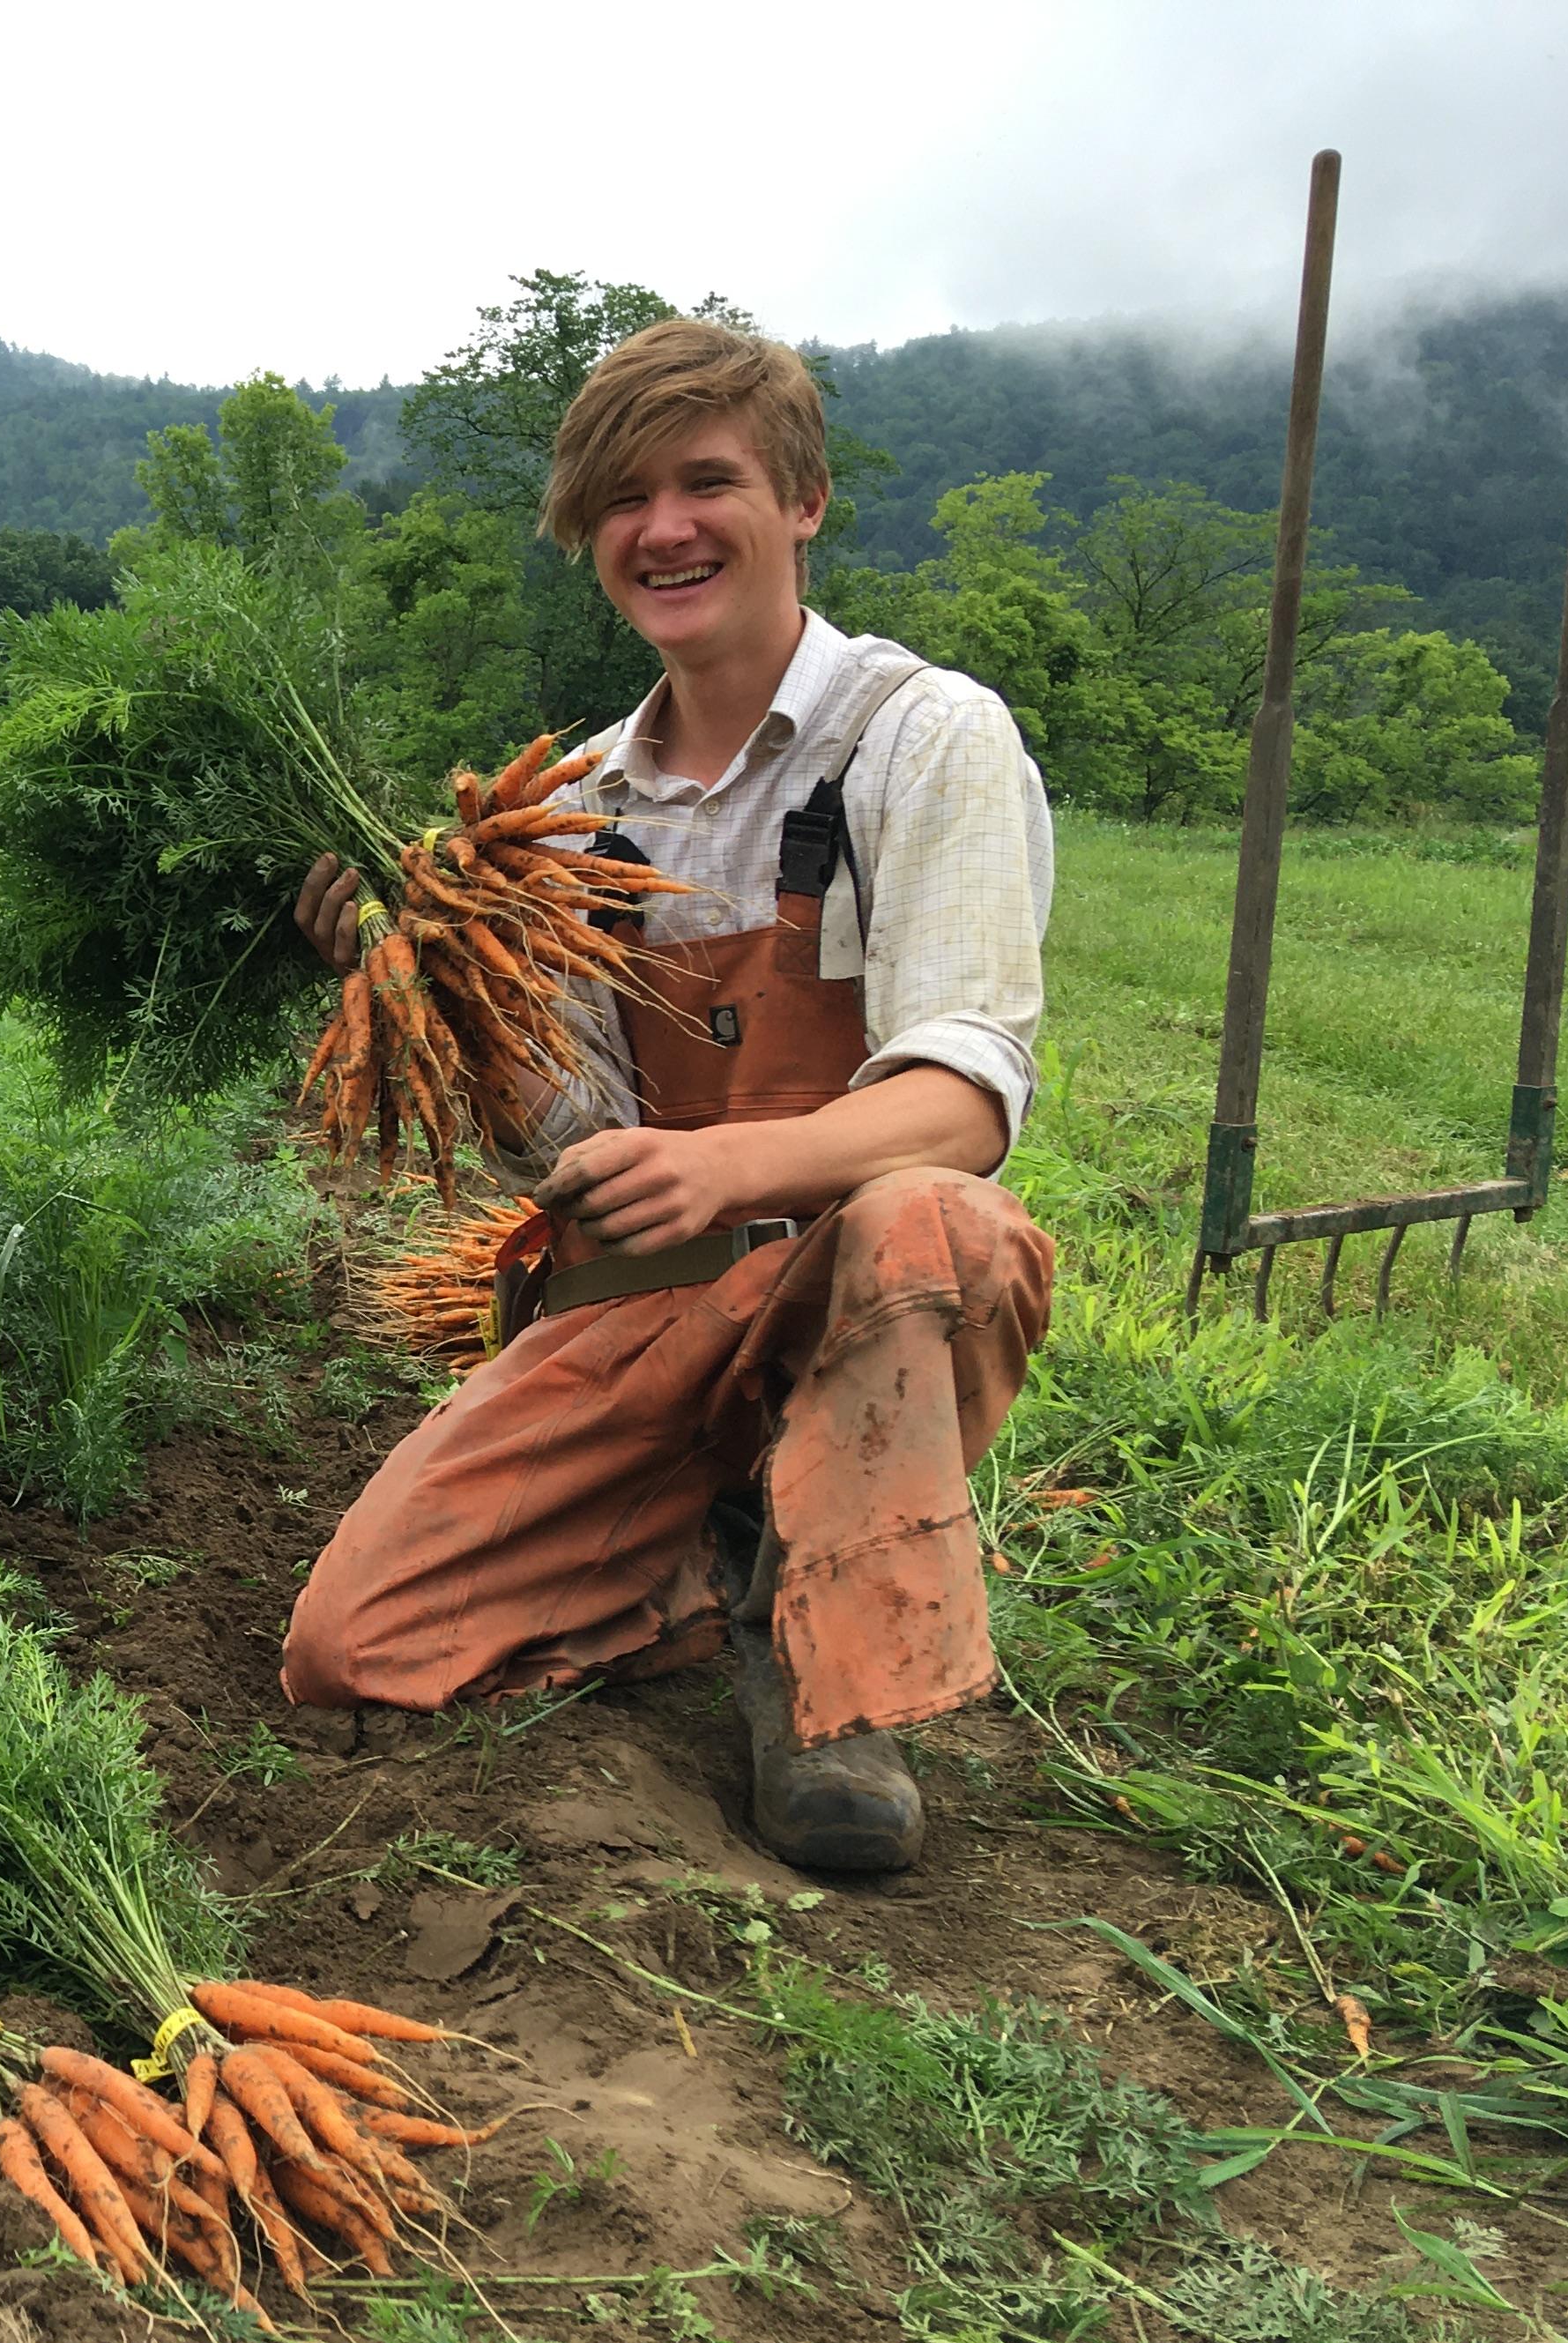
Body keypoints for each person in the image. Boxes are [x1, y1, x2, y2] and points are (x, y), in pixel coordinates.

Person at [278, 316, 1057, 1873]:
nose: (667, 528)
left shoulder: (918, 738)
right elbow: (568, 1136)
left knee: (936, 1225)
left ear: (804, 500)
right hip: (651, 1309)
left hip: (847, 1286)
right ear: (592, 538)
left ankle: (827, 1668)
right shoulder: (564, 807)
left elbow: (968, 1091)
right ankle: (712, 1541)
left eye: (710, 482)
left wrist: (737, 1164)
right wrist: (423, 997)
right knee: (350, 1645)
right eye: (626, 501)